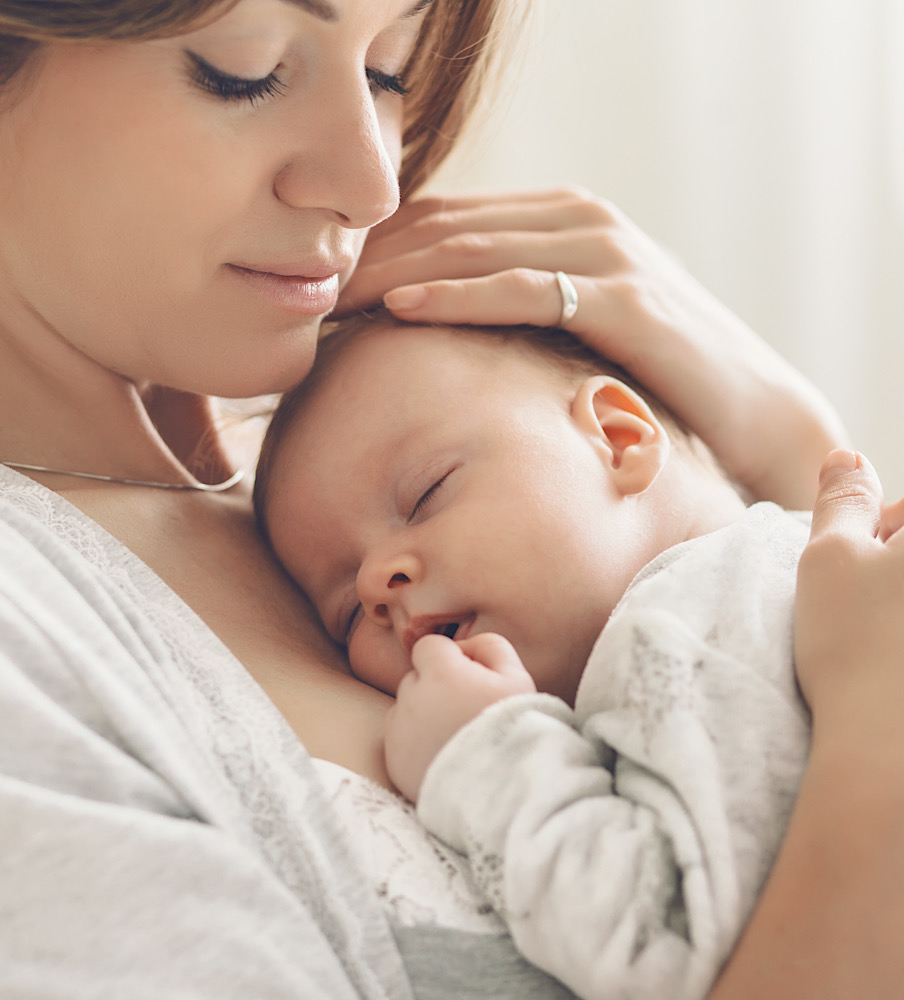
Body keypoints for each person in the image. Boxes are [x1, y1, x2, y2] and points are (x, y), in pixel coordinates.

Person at [0, 0, 901, 997]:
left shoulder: (377, 456)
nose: (370, 183)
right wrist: (876, 738)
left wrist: (788, 453)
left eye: (389, 70)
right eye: (245, 71)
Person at [253, 312, 815, 1000]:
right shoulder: (791, 575)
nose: (377, 582)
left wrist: (488, 753)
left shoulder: (691, 623)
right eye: (344, 614)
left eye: (426, 493)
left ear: (618, 438)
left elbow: (675, 950)